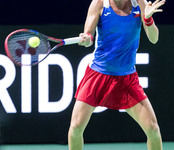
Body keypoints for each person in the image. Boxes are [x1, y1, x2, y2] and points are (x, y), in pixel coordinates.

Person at [68, 0, 166, 150]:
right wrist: (86, 38)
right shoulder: (99, 3)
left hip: (127, 79)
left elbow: (154, 38)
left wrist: (147, 18)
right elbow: (89, 36)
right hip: (98, 75)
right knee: (76, 127)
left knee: (152, 129)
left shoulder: (139, 3)